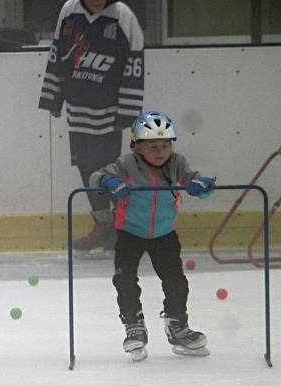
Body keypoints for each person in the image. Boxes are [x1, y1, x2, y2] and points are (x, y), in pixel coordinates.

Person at [90, 111, 215, 361]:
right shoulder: (126, 164)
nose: (160, 151)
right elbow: (95, 177)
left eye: (165, 145)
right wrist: (109, 181)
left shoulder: (177, 162)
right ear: (137, 147)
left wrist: (202, 186)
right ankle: (134, 328)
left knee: (176, 282)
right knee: (125, 281)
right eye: (153, 146)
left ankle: (177, 326)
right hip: (129, 233)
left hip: (164, 234)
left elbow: (196, 182)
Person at [38, 0, 145, 256]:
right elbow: (58, 55)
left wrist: (128, 111)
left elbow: (135, 65)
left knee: (108, 170)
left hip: (109, 111)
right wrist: (53, 96)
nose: (97, 0)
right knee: (85, 167)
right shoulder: (69, 11)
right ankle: (104, 227)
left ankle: (122, 231)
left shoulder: (123, 16)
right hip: (78, 107)